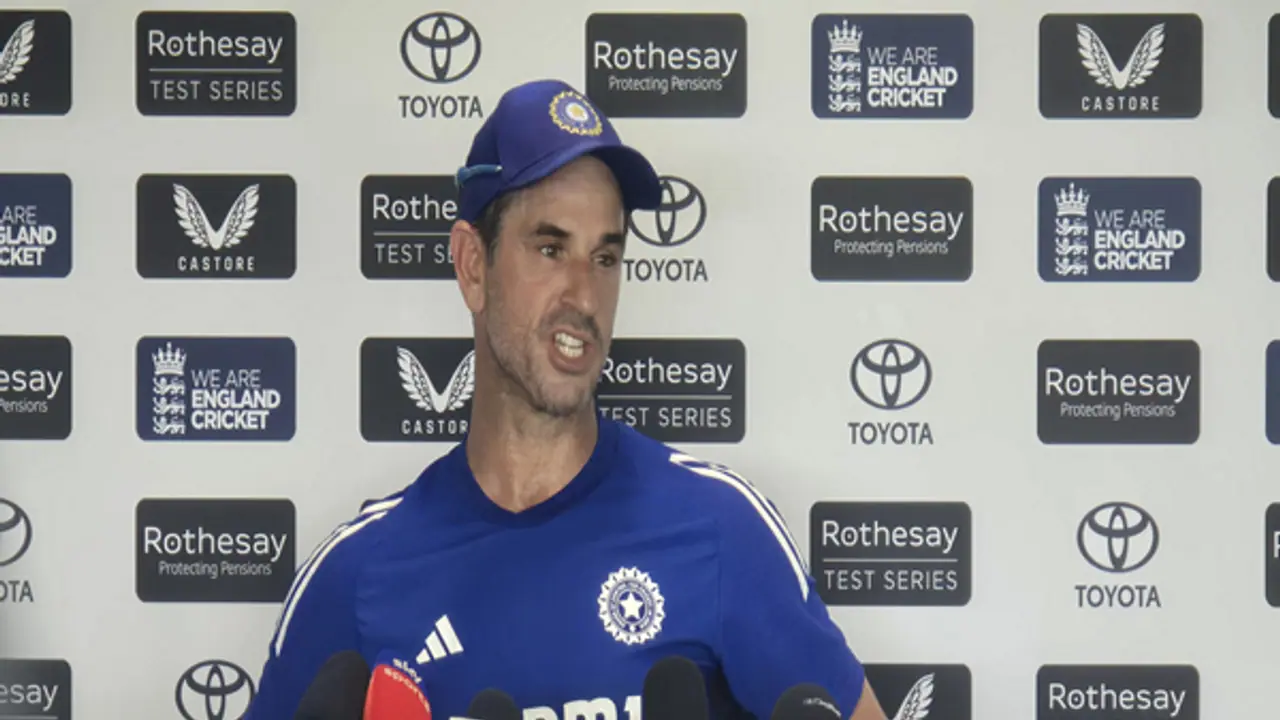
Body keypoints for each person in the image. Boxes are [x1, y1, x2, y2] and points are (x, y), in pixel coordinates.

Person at [244, 78, 888, 720]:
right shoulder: (359, 571)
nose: (584, 296)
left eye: (604, 258)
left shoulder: (720, 528)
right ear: (472, 265)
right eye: (551, 249)